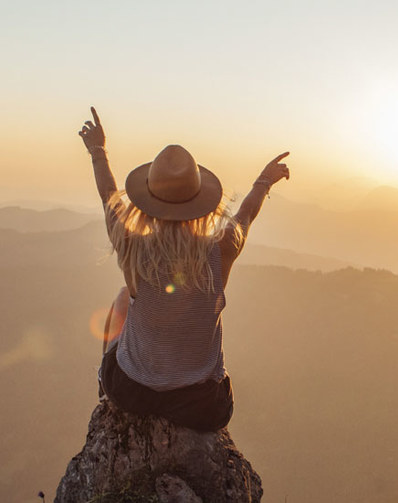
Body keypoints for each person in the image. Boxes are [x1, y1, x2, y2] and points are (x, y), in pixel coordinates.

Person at [78, 107, 290, 432]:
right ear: (201, 201)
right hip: (202, 406)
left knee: (124, 297)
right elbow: (246, 213)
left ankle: (102, 387)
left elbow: (109, 197)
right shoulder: (223, 249)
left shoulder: (133, 248)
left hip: (131, 392)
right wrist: (264, 180)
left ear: (147, 201)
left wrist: (97, 151)